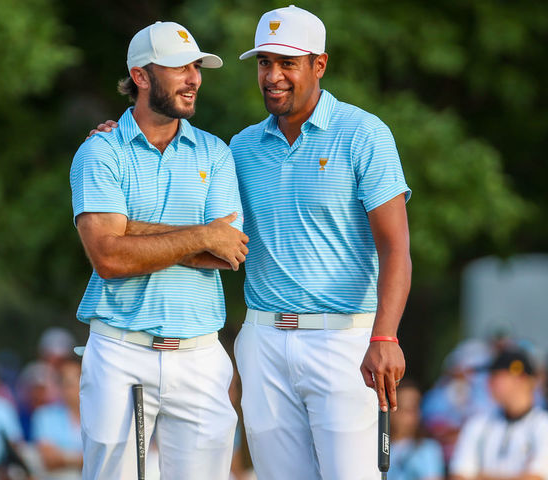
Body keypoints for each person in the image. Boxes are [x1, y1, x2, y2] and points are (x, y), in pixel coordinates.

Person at [90, 6, 411, 479]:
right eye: (264, 63)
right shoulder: (238, 148)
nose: (273, 77)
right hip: (262, 342)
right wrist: (117, 137)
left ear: (318, 65)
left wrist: (385, 334)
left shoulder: (364, 135)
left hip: (345, 339)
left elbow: (396, 248)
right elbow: (212, 235)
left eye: (288, 63)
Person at [70, 21, 248, 479]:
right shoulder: (101, 152)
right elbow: (108, 259)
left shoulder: (216, 152)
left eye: (196, 67)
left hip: (200, 354)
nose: (194, 78)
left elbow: (227, 251)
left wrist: (128, 230)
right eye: (179, 67)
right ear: (142, 76)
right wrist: (201, 233)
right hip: (121, 349)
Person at [449, 348, 548, 480]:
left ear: (520, 379)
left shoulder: (542, 426)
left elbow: (536, 477)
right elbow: (459, 475)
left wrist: (479, 476)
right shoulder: (477, 424)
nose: (488, 382)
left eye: (497, 376)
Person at [31, 358, 82, 478]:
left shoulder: (102, 417)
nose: (68, 389)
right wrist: (85, 458)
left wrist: (63, 456)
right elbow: (49, 460)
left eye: (72, 383)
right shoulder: (44, 415)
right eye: (64, 383)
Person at [389, 379, 444, 480]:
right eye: (404, 408)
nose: (411, 414)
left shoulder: (428, 449)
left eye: (414, 408)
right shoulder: (376, 448)